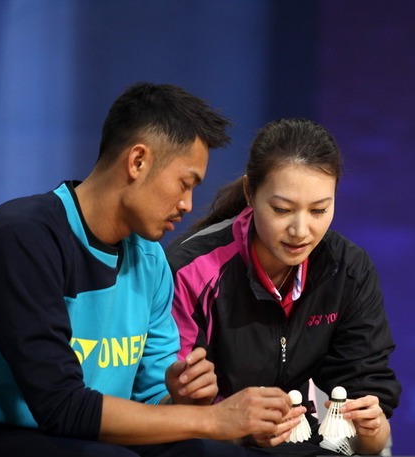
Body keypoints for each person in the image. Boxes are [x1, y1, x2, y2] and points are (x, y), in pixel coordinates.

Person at [0, 83, 298, 457]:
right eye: (185, 184)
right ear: (138, 161)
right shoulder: (22, 238)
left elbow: (151, 401)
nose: (187, 204)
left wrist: (180, 399)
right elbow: (59, 406)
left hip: (86, 438)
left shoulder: (150, 260)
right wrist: (213, 420)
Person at [166, 118, 402, 455]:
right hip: (216, 444)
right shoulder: (192, 270)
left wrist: (372, 428)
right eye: (282, 209)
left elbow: (368, 434)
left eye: (319, 210)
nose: (300, 230)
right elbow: (168, 407)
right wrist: (233, 426)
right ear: (250, 193)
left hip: (305, 443)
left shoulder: (349, 271)